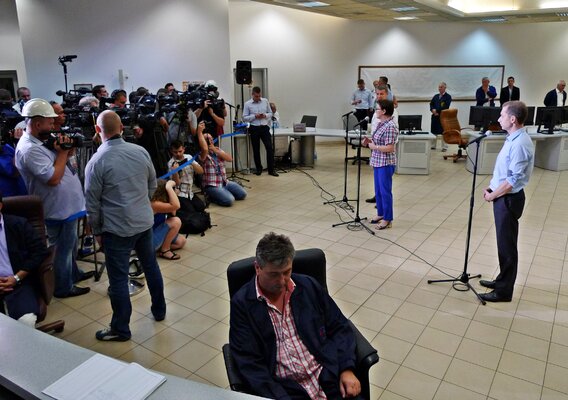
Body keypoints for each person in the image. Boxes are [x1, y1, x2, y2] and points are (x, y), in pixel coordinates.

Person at [230, 232, 362, 400]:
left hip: (327, 376)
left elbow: (339, 326)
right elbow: (249, 362)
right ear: (258, 268)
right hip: (285, 389)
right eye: (274, 274)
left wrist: (346, 369)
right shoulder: (243, 304)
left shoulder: (308, 286)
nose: (282, 281)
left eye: (287, 272)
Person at [85, 110, 166, 341]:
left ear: (98, 130)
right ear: (122, 128)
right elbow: (153, 185)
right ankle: (159, 310)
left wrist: (98, 231)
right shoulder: (140, 151)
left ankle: (121, 328)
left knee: (118, 279)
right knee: (151, 267)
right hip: (143, 223)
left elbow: (92, 204)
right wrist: (140, 203)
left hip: (116, 230)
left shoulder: (96, 162)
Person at [15, 98, 91, 298]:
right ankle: (63, 287)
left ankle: (73, 274)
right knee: (62, 249)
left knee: (70, 245)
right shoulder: (29, 149)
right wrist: (64, 152)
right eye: (50, 122)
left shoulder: (41, 140)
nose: (54, 126)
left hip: (68, 205)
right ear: (38, 123)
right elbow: (53, 178)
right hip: (57, 207)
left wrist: (68, 149)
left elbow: (62, 162)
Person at [480, 101, 534, 302]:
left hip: (508, 200)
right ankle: (502, 280)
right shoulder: (513, 138)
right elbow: (504, 172)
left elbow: (512, 180)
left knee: (507, 247)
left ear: (513, 119)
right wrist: (493, 187)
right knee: (503, 244)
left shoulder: (520, 143)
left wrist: (493, 195)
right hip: (502, 195)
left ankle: (503, 292)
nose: (499, 118)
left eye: (502, 115)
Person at [0, 192, 48, 327]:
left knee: (26, 321)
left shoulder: (18, 224)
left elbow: (39, 251)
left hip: (19, 283)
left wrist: (17, 278)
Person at [364, 99, 398, 230]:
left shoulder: (390, 126)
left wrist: (374, 146)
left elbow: (390, 148)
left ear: (384, 111)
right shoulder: (381, 123)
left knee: (385, 192)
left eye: (377, 109)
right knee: (378, 191)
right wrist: (370, 141)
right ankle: (381, 214)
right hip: (377, 161)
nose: (375, 111)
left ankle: (388, 219)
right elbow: (378, 140)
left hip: (385, 163)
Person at [198, 130, 246, 207]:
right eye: (206, 139)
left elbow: (230, 159)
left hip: (224, 182)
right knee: (229, 200)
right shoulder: (202, 154)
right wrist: (200, 132)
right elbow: (205, 149)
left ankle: (222, 192)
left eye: (210, 139)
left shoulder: (218, 149)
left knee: (242, 194)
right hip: (212, 185)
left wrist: (215, 150)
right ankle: (211, 196)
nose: (209, 141)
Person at [243, 86, 278, 177]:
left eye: (259, 96)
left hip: (264, 127)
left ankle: (271, 170)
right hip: (254, 128)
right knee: (256, 149)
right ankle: (259, 169)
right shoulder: (247, 104)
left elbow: (270, 113)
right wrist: (255, 116)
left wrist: (265, 115)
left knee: (269, 148)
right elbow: (244, 117)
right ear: (252, 95)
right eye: (256, 96)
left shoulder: (265, 101)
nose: (258, 98)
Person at [150, 179, 187, 260]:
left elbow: (173, 212)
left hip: (155, 233)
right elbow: (176, 206)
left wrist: (173, 195)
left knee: (181, 241)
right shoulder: (153, 204)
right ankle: (165, 250)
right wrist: (169, 188)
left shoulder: (161, 201)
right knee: (176, 221)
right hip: (148, 239)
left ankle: (154, 250)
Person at [168, 138, 205, 212]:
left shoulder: (189, 157)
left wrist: (191, 163)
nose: (178, 154)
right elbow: (176, 183)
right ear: (171, 151)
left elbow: (201, 171)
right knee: (191, 211)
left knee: (201, 207)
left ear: (184, 149)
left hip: (190, 192)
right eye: (175, 152)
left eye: (180, 151)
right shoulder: (171, 163)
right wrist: (175, 171)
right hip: (180, 193)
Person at [429, 82, 452, 151]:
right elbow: (431, 104)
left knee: (444, 132)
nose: (439, 88)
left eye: (441, 87)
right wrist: (432, 110)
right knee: (434, 131)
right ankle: (433, 146)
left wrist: (437, 111)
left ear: (445, 88)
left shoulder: (448, 96)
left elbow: (446, 106)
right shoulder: (436, 96)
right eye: (439, 87)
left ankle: (444, 147)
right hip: (435, 116)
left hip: (443, 117)